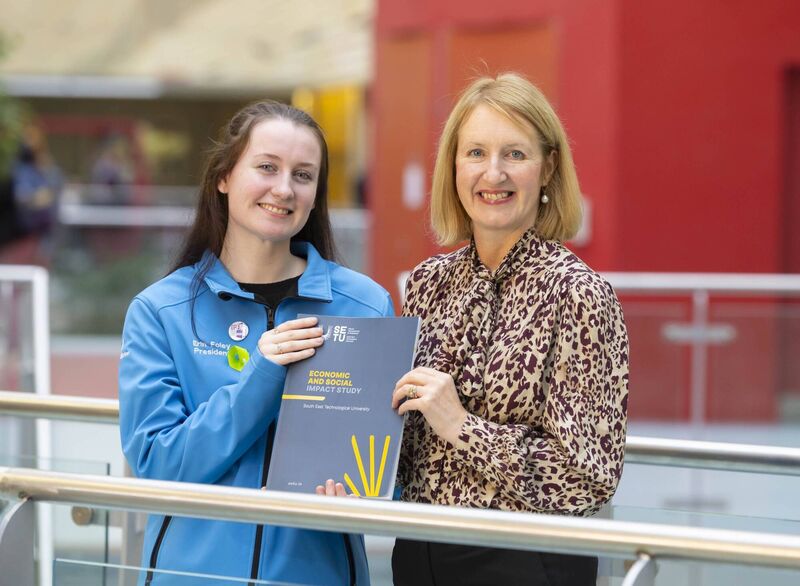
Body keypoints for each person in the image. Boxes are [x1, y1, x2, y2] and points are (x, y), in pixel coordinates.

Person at [119, 101, 393, 585]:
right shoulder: (161, 312)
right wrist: (262, 375)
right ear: (224, 177)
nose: (283, 189)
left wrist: (368, 491)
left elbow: (387, 465)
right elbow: (158, 464)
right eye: (266, 167)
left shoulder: (365, 305)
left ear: (315, 195)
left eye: (303, 175)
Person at [391, 73, 629, 586]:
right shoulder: (428, 283)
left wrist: (461, 425)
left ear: (547, 170)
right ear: (453, 166)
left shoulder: (579, 294)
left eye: (515, 155)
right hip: (419, 549)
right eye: (475, 152)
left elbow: (588, 478)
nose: (492, 173)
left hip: (525, 557)